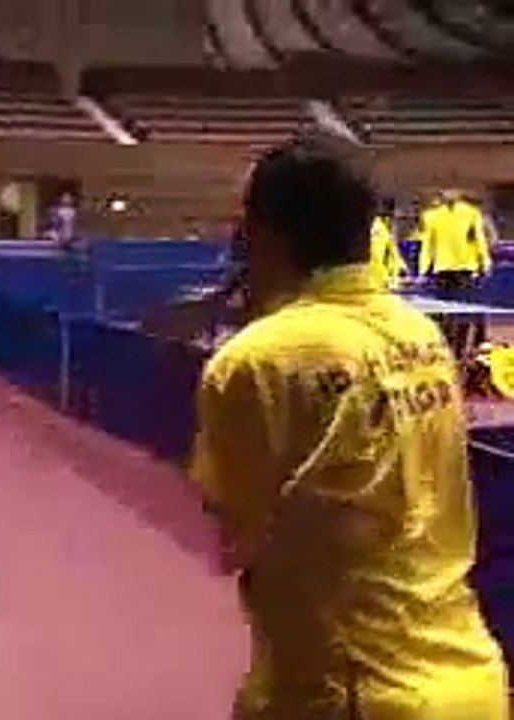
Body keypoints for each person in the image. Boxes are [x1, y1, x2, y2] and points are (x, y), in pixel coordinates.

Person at [190, 133, 508, 719]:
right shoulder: (421, 334)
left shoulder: (256, 360)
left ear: (262, 232)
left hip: (349, 695)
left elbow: (234, 535)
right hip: (470, 680)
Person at [417, 189, 492, 358]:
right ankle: (451, 350)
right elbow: (428, 244)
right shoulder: (431, 216)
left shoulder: (471, 213)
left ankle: (466, 347)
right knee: (448, 313)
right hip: (444, 268)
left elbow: (479, 238)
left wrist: (485, 262)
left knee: (464, 311)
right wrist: (423, 269)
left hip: (465, 267)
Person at [368, 202, 406, 291]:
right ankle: (382, 282)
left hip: (386, 230)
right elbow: (377, 257)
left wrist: (400, 263)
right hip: (380, 231)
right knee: (378, 257)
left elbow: (394, 250)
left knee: (393, 256)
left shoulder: (389, 223)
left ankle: (392, 280)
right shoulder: (378, 226)